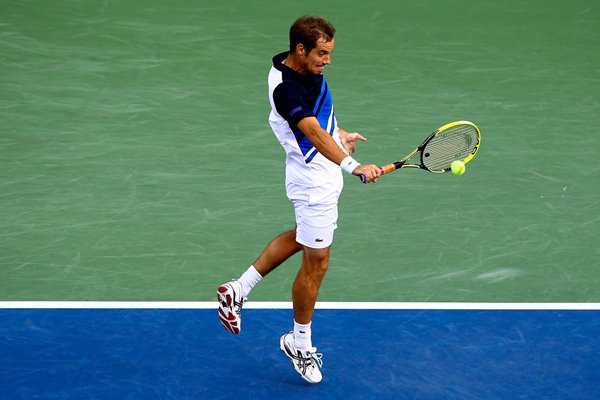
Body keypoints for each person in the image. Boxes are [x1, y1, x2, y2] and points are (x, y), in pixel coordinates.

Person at [217, 15, 381, 384]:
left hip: (318, 173)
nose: (328, 61)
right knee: (316, 263)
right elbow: (308, 129)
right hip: (314, 182)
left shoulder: (296, 64)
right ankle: (299, 343)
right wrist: (352, 164)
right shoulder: (286, 89)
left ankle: (236, 290)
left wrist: (339, 134)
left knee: (303, 236)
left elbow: (319, 118)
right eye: (322, 54)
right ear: (301, 49)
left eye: (330, 53)